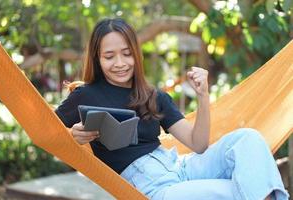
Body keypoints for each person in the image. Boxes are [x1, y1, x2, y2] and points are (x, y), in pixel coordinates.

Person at [55, 18, 289, 200]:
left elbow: (198, 144)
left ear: (136, 54)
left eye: (127, 54)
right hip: (154, 189)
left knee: (248, 139)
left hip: (182, 167)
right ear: (97, 58)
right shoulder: (85, 95)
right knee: (241, 190)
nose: (120, 63)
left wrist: (203, 96)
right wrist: (72, 135)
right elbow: (47, 130)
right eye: (109, 56)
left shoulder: (153, 96)